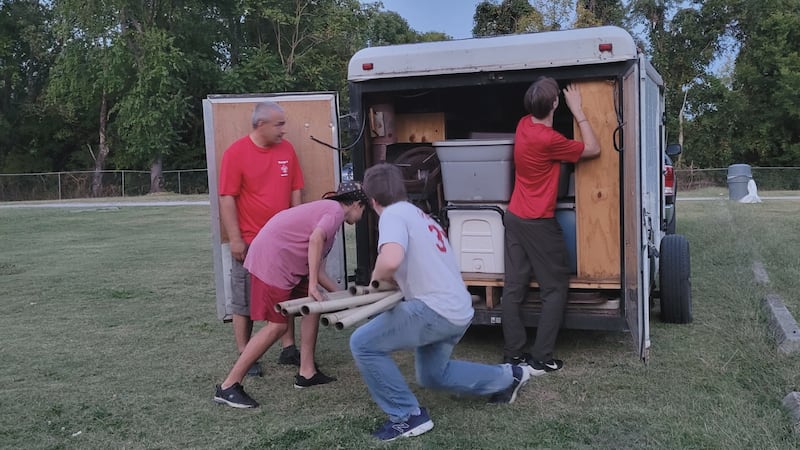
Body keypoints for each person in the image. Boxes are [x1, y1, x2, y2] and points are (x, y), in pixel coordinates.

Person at [349, 163, 530, 442]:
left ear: (372, 201)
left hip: (434, 309)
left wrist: (375, 279)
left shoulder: (392, 215)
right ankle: (509, 377)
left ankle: (407, 416)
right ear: (402, 191)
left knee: (362, 343)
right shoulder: (421, 216)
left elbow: (391, 259)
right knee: (433, 375)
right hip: (457, 309)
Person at [213, 181, 369, 408]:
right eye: (364, 210)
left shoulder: (329, 216)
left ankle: (307, 372)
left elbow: (319, 268)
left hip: (283, 263)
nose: (362, 216)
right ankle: (228, 386)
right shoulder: (335, 211)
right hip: (272, 263)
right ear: (356, 204)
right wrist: (313, 285)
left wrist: (343, 297)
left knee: (313, 306)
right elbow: (315, 240)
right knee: (277, 326)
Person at [501, 77, 601, 374]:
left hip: (514, 215)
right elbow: (593, 149)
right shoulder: (550, 140)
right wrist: (578, 111)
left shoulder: (523, 125)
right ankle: (541, 358)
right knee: (555, 288)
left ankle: (513, 354)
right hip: (538, 221)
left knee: (513, 288)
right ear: (556, 103)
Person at [218, 101, 304, 375]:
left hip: (282, 242)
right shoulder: (236, 153)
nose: (284, 130)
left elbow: (295, 190)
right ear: (260, 125)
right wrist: (235, 239)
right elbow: (227, 198)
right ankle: (246, 353)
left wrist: (296, 230)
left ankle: (288, 348)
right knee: (244, 298)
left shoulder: (287, 150)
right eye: (279, 124)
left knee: (285, 292)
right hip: (250, 241)